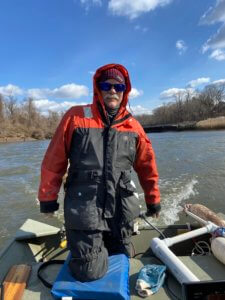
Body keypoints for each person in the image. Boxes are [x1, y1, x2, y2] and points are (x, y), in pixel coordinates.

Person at [38, 63, 161, 282]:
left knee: (121, 260)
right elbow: (53, 160)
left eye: (118, 86)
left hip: (120, 210)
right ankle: (89, 251)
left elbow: (147, 167)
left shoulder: (134, 126)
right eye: (107, 85)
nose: (112, 90)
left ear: (125, 90)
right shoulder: (75, 117)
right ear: (98, 88)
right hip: (85, 207)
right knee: (89, 272)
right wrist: (47, 198)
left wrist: (153, 201)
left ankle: (102, 251)